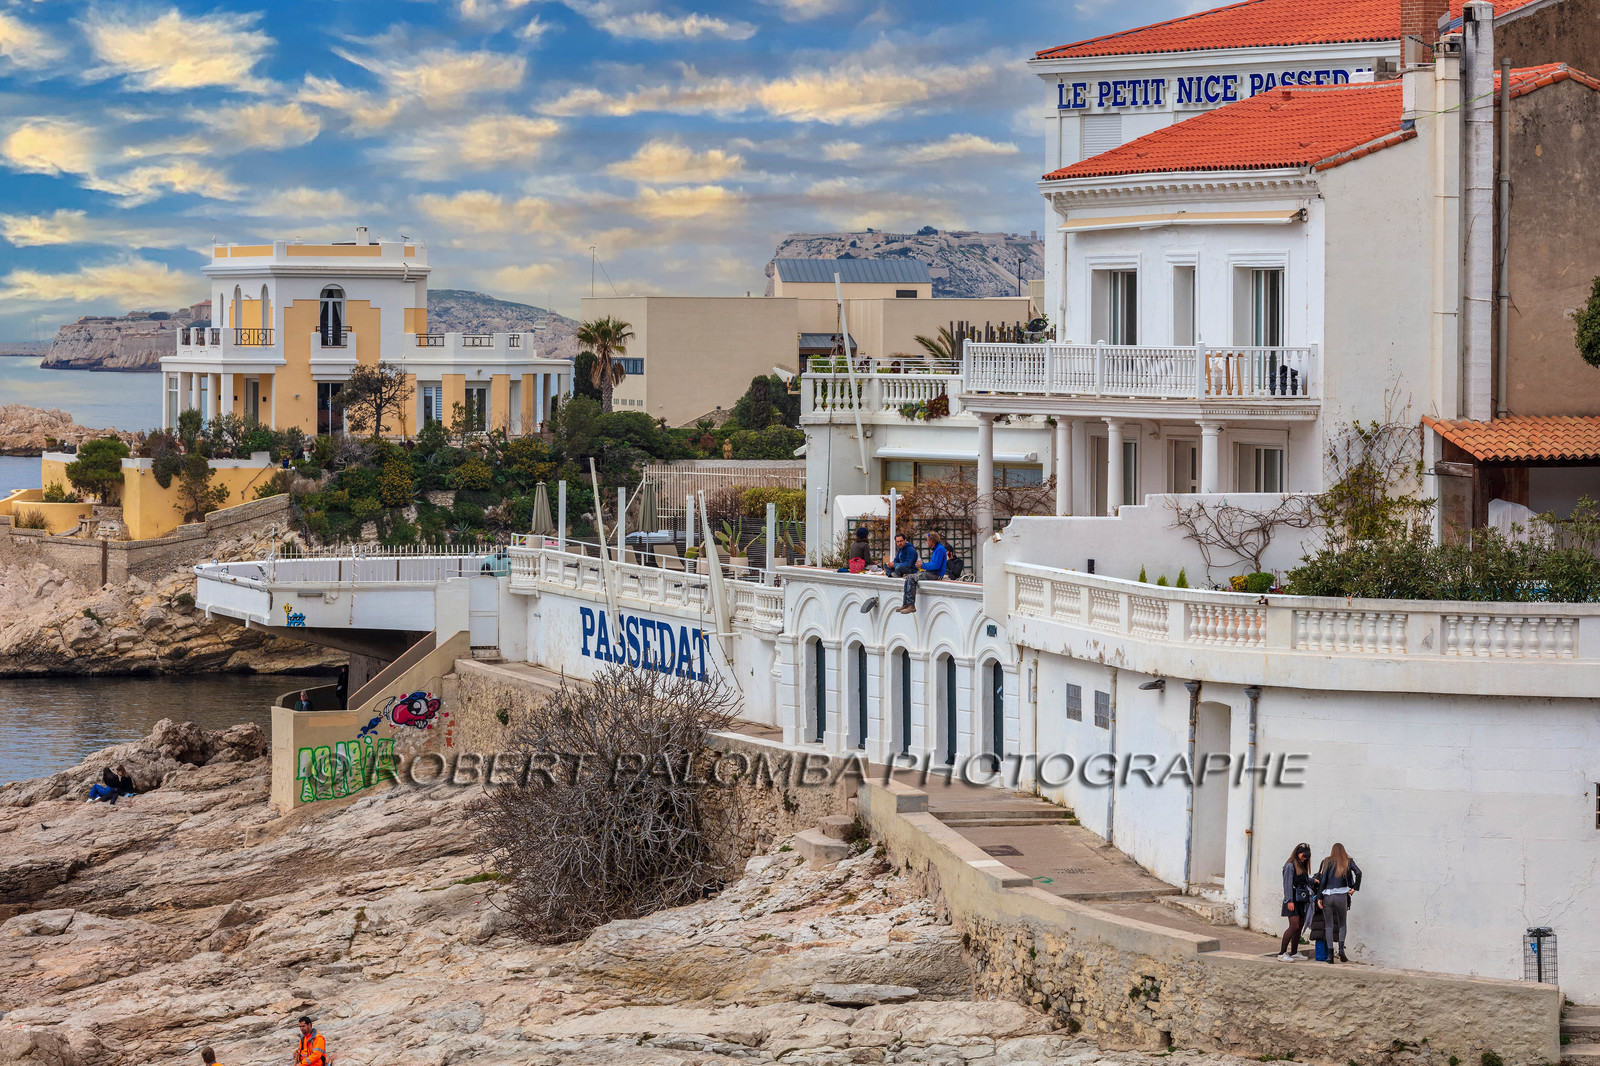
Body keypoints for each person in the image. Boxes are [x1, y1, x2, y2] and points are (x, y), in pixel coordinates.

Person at [1313, 842, 1363, 963]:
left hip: (1328, 896)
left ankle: (1330, 955)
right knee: (1342, 924)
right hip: (1342, 896)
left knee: (1328, 925)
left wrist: (1319, 896)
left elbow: (1323, 879)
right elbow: (1358, 873)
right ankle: (1341, 949)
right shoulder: (1348, 860)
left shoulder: (1327, 861)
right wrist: (1354, 888)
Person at [1278, 842, 1314, 961]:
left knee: (1299, 927)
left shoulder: (1301, 865)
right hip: (1292, 899)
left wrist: (1313, 881)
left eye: (1307, 857)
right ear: (1297, 853)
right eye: (1303, 856)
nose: (1305, 858)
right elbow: (1287, 884)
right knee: (1294, 926)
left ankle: (1294, 952)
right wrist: (1289, 900)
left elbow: (1302, 880)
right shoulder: (1290, 865)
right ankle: (1282, 953)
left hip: (1301, 900)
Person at [895, 532, 947, 614]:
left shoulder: (940, 549)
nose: (927, 542)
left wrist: (922, 565)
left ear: (932, 541)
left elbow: (936, 566)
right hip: (932, 573)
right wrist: (923, 565)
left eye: (927, 540)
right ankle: (906, 603)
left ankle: (911, 605)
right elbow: (934, 564)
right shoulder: (938, 549)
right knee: (908, 577)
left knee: (911, 578)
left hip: (936, 575)